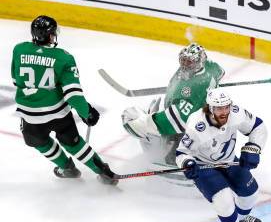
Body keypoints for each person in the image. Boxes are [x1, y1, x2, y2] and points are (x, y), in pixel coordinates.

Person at [11, 15, 117, 184]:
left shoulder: (19, 50)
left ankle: (67, 168)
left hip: (29, 114)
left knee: (39, 142)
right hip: (58, 114)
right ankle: (103, 172)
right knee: (74, 144)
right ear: (50, 35)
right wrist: (86, 112)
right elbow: (72, 94)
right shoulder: (63, 57)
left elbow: (16, 80)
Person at [175, 88, 267, 222]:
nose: (224, 112)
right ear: (210, 108)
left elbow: (258, 127)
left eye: (226, 107)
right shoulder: (197, 126)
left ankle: (242, 218)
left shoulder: (236, 113)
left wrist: (253, 148)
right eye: (219, 108)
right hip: (205, 166)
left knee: (250, 193)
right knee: (223, 200)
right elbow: (182, 153)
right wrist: (187, 163)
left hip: (229, 160)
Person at [121, 42, 225, 164]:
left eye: (189, 62)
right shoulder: (211, 67)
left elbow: (179, 118)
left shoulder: (194, 87)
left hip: (198, 126)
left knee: (173, 159)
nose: (185, 64)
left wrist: (146, 124)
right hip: (206, 113)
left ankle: (183, 174)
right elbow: (221, 72)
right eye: (183, 60)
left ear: (199, 62)